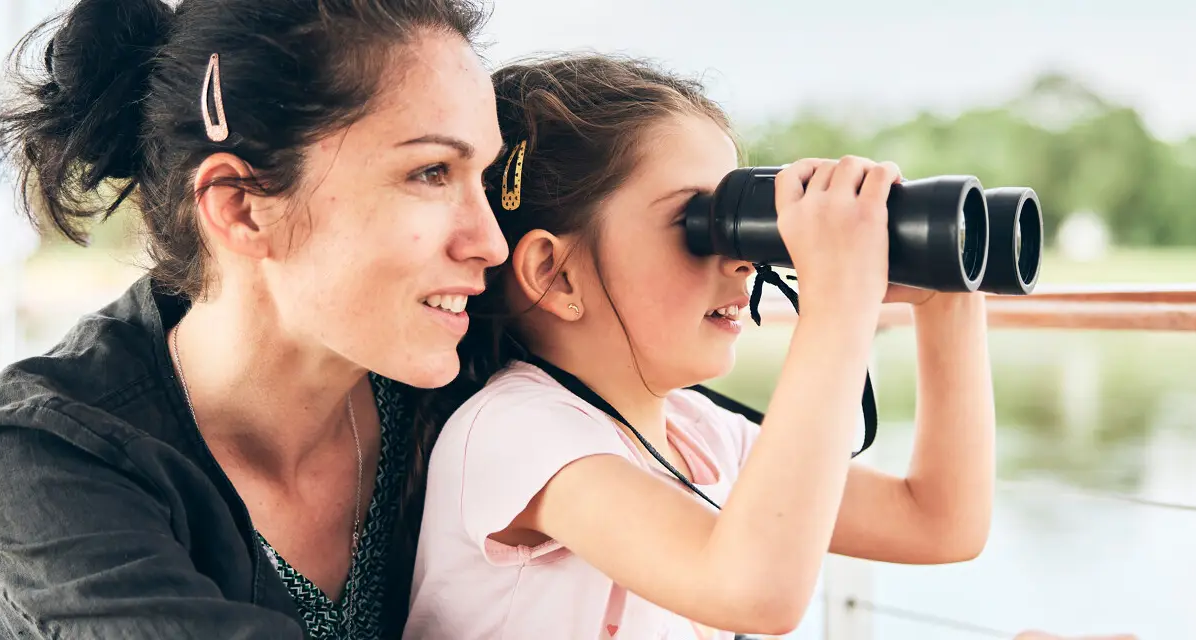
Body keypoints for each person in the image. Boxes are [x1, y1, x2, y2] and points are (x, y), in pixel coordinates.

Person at [0, 0, 502, 637]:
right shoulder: (48, 453)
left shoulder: (473, 386)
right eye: (431, 172)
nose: (491, 242)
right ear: (240, 209)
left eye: (485, 178)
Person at [402, 53, 999, 639]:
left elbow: (939, 522)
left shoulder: (701, 434)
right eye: (697, 222)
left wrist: (948, 289)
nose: (742, 258)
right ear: (556, 274)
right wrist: (839, 303)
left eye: (737, 218)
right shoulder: (514, 432)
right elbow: (751, 592)